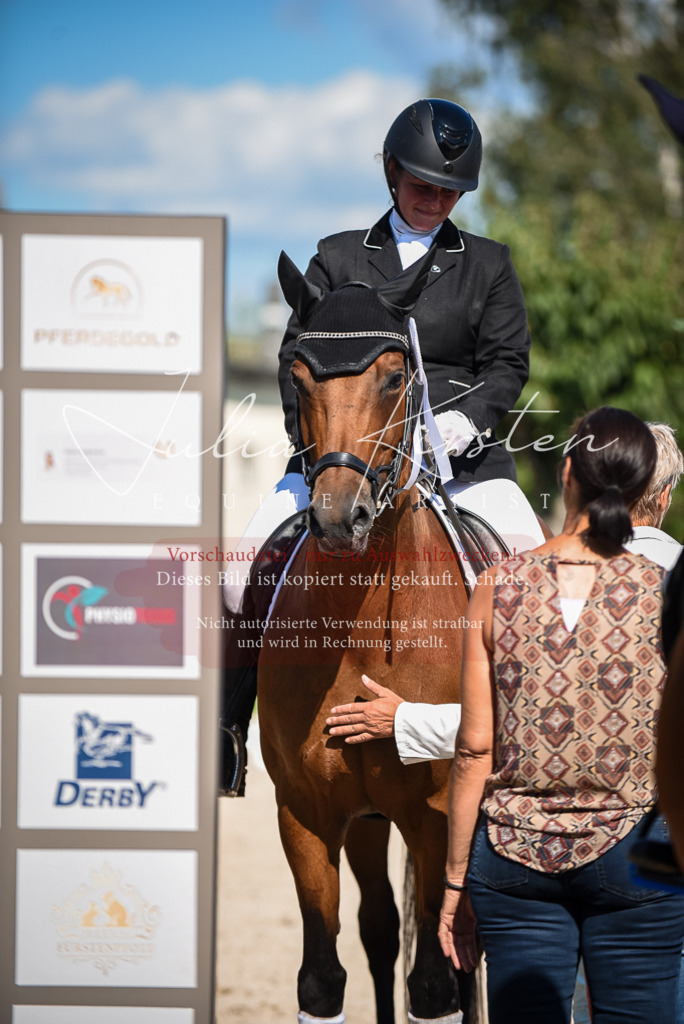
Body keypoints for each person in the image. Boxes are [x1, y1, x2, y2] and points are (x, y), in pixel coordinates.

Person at [221, 98, 545, 793]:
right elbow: (294, 364)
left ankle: (526, 744)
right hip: (344, 451)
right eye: (423, 185)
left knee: (529, 576)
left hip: (464, 457)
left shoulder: (486, 263)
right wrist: (317, 452)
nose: (436, 200)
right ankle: (229, 731)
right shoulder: (336, 258)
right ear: (393, 174)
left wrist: (468, 424)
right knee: (240, 567)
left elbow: (508, 365)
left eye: (450, 190)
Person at [434, 406, 684, 1024]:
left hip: (514, 855)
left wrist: (454, 883)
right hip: (636, 854)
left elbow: (472, 750)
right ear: (651, 490)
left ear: (567, 470)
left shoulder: (497, 585)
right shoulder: (667, 589)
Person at [327, 421, 684, 758]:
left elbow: (526, 718)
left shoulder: (536, 580)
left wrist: (404, 722)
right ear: (665, 496)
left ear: (575, 482)